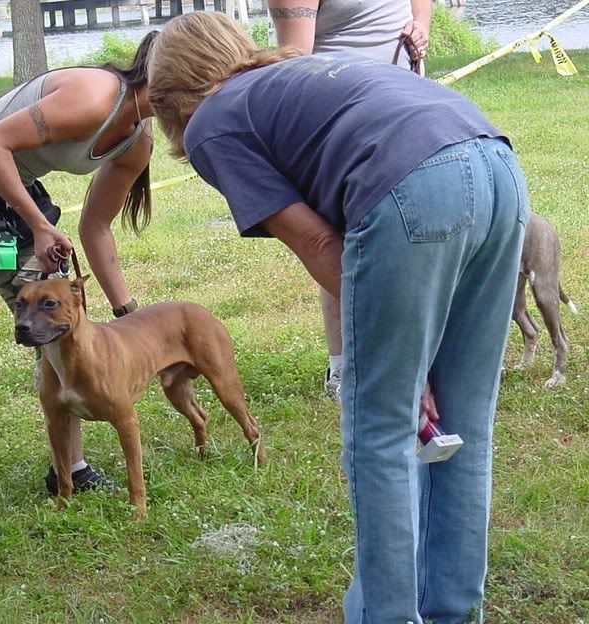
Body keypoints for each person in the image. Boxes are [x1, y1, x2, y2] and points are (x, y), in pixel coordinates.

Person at [148, 12, 527, 623]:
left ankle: (386, 615)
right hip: (497, 166)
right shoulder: (299, 76)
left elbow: (322, 247)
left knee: (382, 427)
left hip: (415, 183)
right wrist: (411, 349)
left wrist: (396, 352)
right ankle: (453, 612)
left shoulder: (211, 123)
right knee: (465, 422)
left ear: (169, 96)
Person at [0, 31, 158, 542]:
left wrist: (125, 309)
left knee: (58, 321)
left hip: (7, 208)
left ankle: (72, 469)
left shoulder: (138, 138)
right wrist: (39, 226)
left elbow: (97, 227)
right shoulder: (94, 96)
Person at [267, 0, 433, 398]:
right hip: (343, 118)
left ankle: (418, 356)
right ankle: (343, 367)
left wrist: (421, 25)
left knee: (416, 232)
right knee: (340, 237)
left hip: (408, 100)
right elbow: (294, 61)